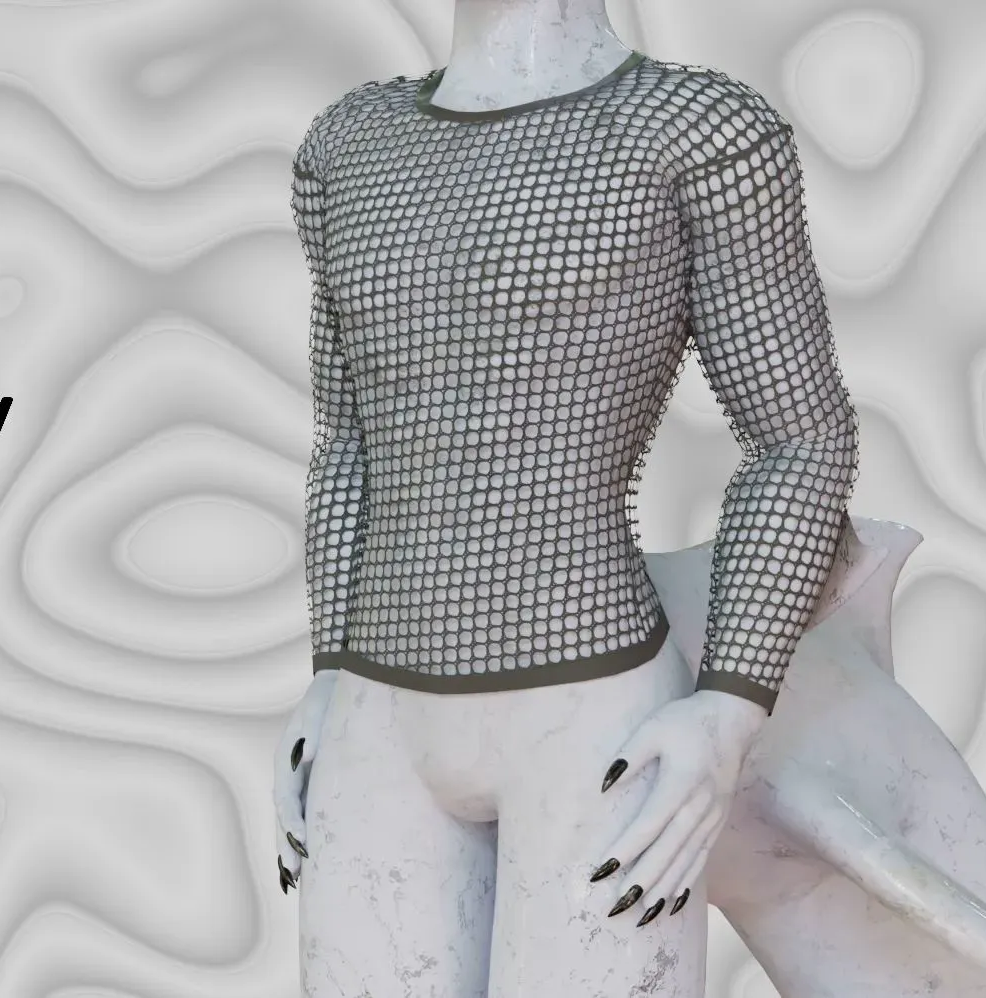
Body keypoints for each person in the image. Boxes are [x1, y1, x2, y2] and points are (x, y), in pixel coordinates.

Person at [274, 3, 859, 994]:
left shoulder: (694, 132)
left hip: (592, 713)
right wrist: (327, 669)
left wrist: (730, 705)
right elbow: (350, 443)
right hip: (377, 712)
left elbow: (800, 438)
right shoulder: (346, 144)